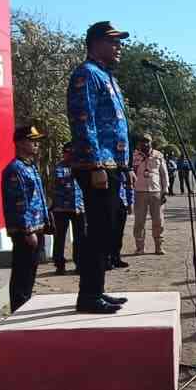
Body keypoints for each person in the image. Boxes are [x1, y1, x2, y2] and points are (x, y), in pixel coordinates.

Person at [66, 21, 131, 314]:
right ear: (95, 43)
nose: (119, 47)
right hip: (96, 165)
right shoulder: (86, 75)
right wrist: (95, 165)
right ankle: (88, 296)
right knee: (98, 230)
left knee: (107, 229)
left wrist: (123, 164)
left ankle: (97, 290)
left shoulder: (107, 77)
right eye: (113, 41)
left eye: (120, 42)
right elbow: (83, 121)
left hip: (112, 163)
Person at [1, 126, 51, 311]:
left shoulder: (29, 166)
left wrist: (45, 221)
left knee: (31, 270)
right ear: (21, 143)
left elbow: (37, 198)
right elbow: (19, 202)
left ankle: (25, 303)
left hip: (36, 226)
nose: (36, 144)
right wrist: (28, 230)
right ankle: (18, 307)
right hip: (25, 230)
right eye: (32, 140)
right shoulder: (15, 169)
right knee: (22, 271)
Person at [51, 142, 85, 276]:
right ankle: (59, 264)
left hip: (78, 207)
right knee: (60, 238)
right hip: (61, 208)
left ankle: (80, 263)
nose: (70, 156)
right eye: (68, 153)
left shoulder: (82, 167)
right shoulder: (59, 167)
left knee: (80, 238)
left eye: (73, 153)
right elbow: (61, 179)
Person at [132, 134, 169, 255]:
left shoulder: (158, 155)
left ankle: (159, 246)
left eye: (147, 141)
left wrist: (165, 190)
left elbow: (164, 174)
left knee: (158, 220)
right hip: (139, 192)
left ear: (151, 142)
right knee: (139, 221)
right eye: (142, 141)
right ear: (139, 143)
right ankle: (140, 247)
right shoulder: (134, 156)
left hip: (156, 192)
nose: (145, 144)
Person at [112, 172, 134, 269]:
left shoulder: (124, 170)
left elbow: (129, 186)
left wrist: (130, 202)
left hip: (122, 202)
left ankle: (116, 257)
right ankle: (108, 259)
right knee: (109, 232)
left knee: (119, 233)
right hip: (110, 203)